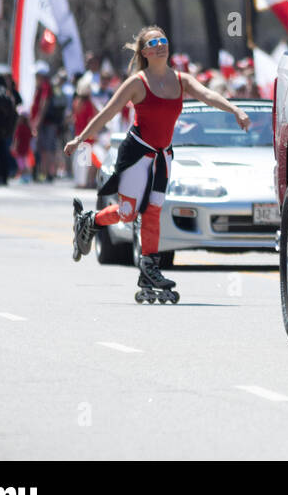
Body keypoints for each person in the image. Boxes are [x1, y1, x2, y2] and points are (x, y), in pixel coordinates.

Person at [65, 27, 252, 297]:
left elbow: (208, 95)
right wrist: (79, 138)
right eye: (153, 42)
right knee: (128, 212)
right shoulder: (137, 83)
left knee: (153, 211)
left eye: (163, 40)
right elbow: (107, 113)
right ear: (144, 52)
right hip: (137, 154)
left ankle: (149, 270)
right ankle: (90, 220)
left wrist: (235, 110)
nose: (161, 45)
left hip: (163, 156)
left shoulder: (181, 80)